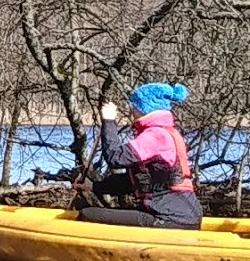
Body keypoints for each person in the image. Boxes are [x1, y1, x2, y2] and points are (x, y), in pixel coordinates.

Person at [84, 84, 204, 228]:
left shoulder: (156, 135)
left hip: (169, 216)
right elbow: (135, 182)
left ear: (144, 108)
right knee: (98, 214)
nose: (132, 110)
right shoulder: (164, 132)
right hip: (179, 214)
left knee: (86, 215)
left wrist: (109, 121)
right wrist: (93, 187)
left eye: (135, 106)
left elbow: (115, 157)